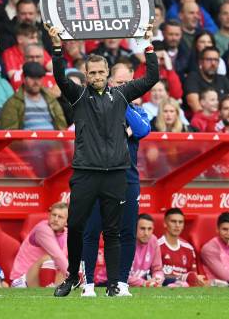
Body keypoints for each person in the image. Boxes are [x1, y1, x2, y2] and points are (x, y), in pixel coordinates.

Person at [47, 20, 158, 296]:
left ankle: (114, 286)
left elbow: (152, 77)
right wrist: (58, 48)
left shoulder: (121, 95)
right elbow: (60, 78)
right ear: (86, 75)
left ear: (107, 73)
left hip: (116, 173)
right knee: (77, 227)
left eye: (100, 71)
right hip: (86, 172)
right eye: (92, 72)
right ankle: (77, 278)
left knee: (112, 232)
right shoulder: (79, 96)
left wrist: (148, 44)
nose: (96, 75)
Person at [81, 66, 152, 297]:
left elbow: (142, 130)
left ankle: (121, 283)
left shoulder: (138, 110)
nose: (123, 88)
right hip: (97, 178)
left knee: (127, 232)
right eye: (119, 84)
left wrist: (122, 102)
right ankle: (88, 284)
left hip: (128, 180)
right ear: (110, 82)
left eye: (127, 84)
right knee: (92, 231)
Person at [10, 203, 69, 288]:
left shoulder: (67, 234)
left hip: (48, 279)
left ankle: (56, 289)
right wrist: (73, 278)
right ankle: (48, 292)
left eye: (60, 217)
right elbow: (57, 256)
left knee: (74, 262)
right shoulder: (42, 229)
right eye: (53, 215)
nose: (55, 219)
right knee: (49, 258)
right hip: (21, 280)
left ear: (67, 221)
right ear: (49, 216)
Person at [0, 62, 67, 130]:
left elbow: (62, 126)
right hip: (25, 139)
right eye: (32, 78)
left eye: (39, 78)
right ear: (24, 78)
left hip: (54, 139)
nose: (36, 82)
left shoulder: (51, 99)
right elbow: (9, 132)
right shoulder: (12, 103)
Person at [158, 208, 204, 287]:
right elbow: (154, 276)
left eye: (180, 222)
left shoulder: (189, 248)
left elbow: (193, 275)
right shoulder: (157, 246)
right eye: (173, 221)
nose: (177, 225)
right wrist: (181, 278)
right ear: (165, 223)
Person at [128, 214, 165, 287]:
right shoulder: (125, 242)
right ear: (134, 228)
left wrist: (157, 280)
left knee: (171, 282)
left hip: (142, 281)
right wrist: (144, 283)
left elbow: (157, 269)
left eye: (149, 229)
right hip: (107, 283)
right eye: (142, 228)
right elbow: (118, 275)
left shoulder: (153, 240)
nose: (146, 233)